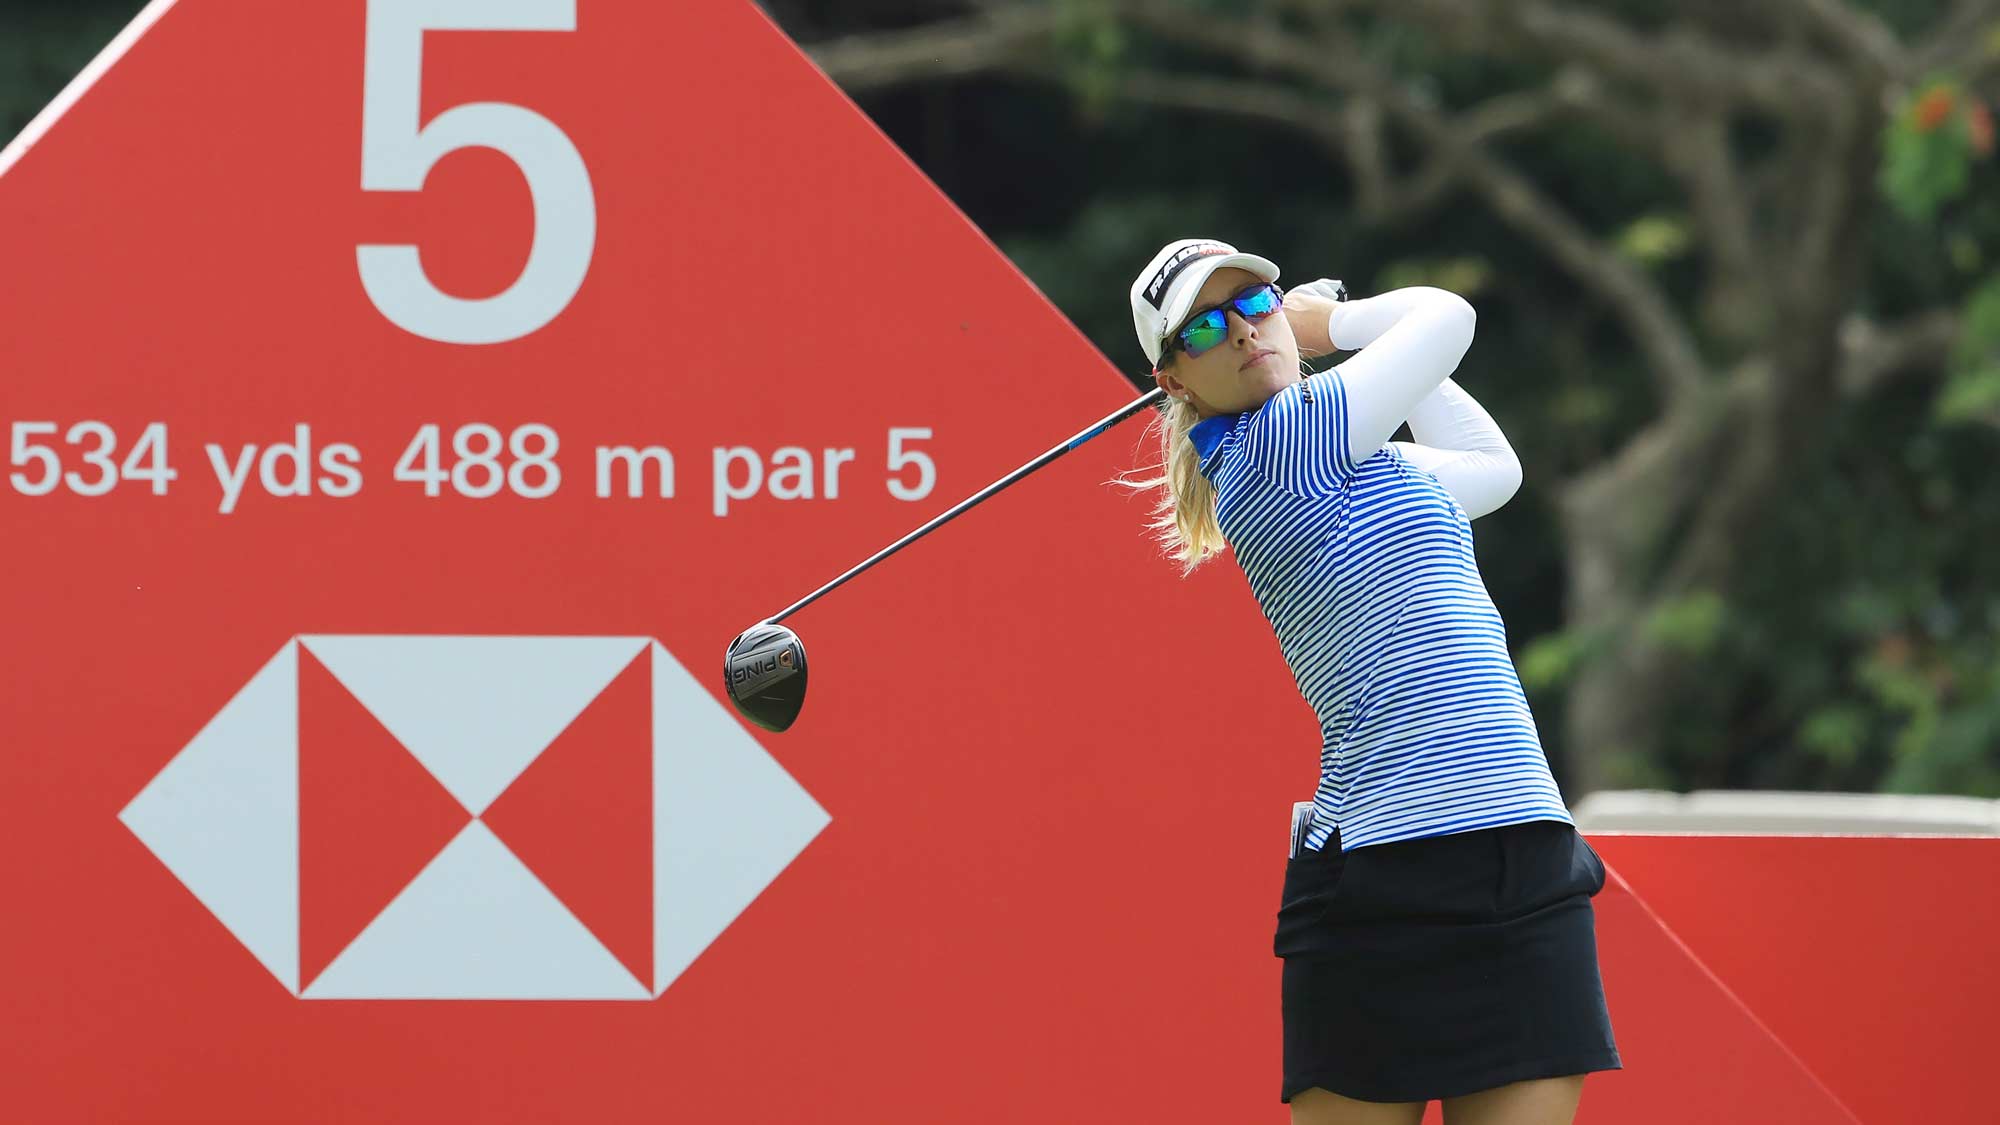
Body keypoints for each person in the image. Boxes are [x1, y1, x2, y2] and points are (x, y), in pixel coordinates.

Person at [1123, 239, 1621, 1125]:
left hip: (1524, 849)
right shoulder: (1280, 445)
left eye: (1255, 303)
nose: (1241, 330)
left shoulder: (1356, 458)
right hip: (1386, 875)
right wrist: (1334, 322)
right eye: (1203, 327)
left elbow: (1493, 470)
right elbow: (1448, 317)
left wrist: (1346, 341)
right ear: (1176, 382)